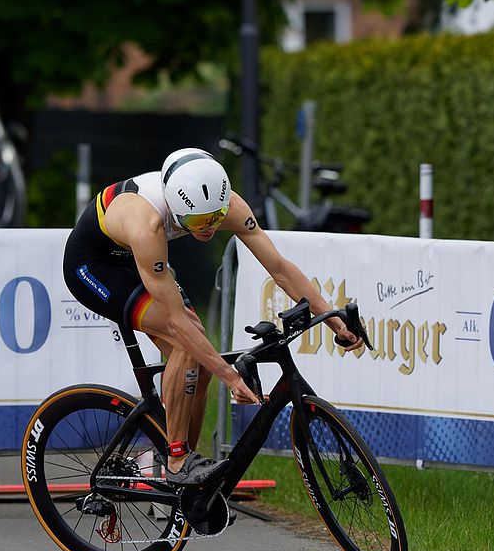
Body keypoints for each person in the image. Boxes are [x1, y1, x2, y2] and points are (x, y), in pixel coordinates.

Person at [64, 147, 361, 490]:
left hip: (143, 259)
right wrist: (232, 378)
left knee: (200, 361)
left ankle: (189, 475)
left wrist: (331, 319)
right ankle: (176, 460)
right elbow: (177, 323)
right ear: (177, 209)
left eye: (215, 220)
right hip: (95, 265)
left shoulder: (228, 204)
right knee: (185, 341)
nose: (207, 230)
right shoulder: (147, 222)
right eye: (197, 224)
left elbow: (279, 269)